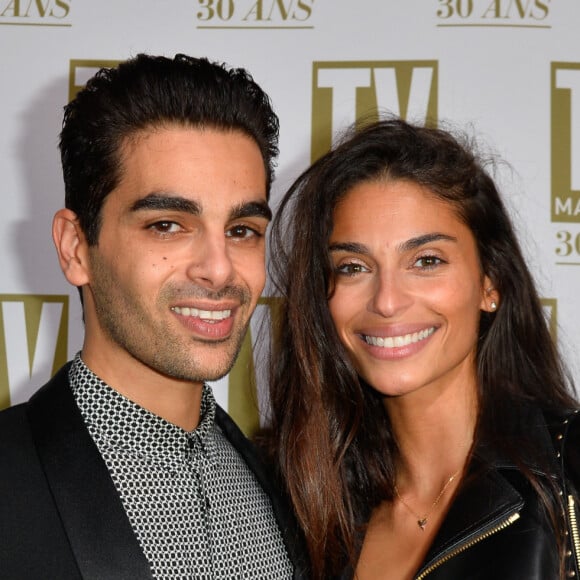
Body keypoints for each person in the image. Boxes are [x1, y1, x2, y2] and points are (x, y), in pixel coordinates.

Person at [0, 53, 307, 579]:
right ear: (76, 248)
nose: (218, 269)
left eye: (242, 230)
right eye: (167, 225)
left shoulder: (289, 490)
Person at [266, 118, 580, 579]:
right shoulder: (291, 499)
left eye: (426, 261)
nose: (387, 301)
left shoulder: (569, 469)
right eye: (353, 267)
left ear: (489, 281)